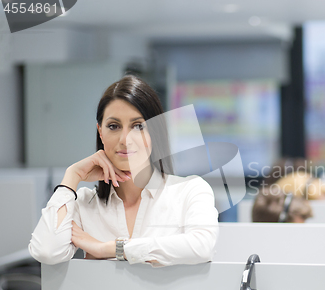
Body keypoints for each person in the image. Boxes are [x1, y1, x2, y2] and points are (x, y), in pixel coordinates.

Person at [29, 75, 219, 268]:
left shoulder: (189, 191)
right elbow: (47, 251)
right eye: (114, 126)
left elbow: (202, 247)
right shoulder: (84, 203)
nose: (125, 139)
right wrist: (72, 176)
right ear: (100, 132)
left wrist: (108, 249)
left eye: (138, 126)